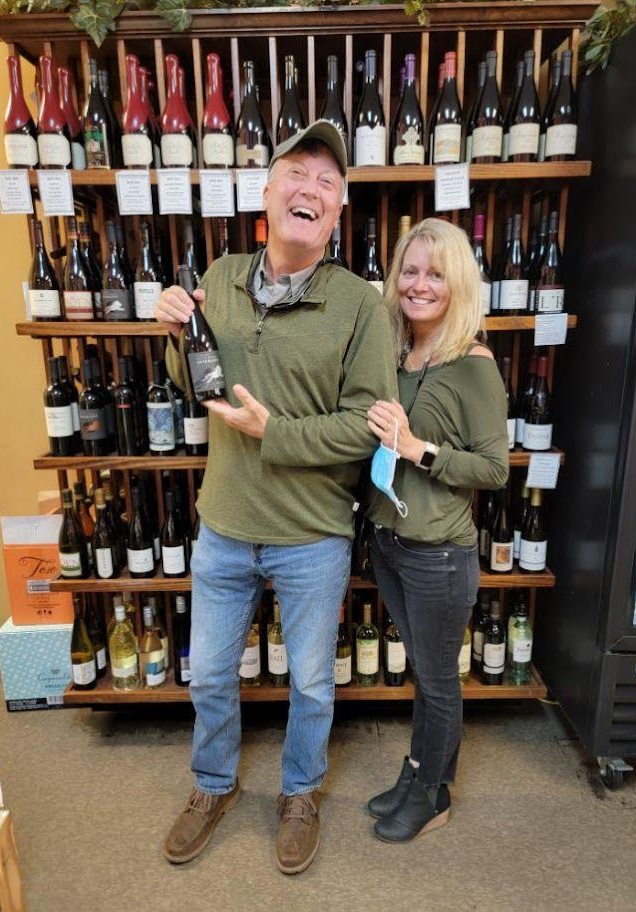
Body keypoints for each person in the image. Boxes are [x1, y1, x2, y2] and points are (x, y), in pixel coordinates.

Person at [155, 120, 397, 874]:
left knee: (312, 682)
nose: (311, 188)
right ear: (265, 191)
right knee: (213, 672)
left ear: (338, 210)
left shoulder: (359, 303)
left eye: (328, 182)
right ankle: (213, 785)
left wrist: (276, 431)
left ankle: (300, 792)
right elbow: (190, 381)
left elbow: (366, 426)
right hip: (223, 524)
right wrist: (172, 329)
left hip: (312, 535)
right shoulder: (222, 277)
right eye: (298, 172)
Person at [364, 217, 509, 843]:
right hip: (390, 543)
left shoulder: (472, 361)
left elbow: (495, 468)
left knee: (439, 679)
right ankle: (419, 772)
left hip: (438, 555)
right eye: (410, 270)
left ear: (458, 284)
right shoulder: (398, 351)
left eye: (436, 274)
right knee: (426, 671)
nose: (419, 284)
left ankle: (433, 792)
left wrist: (418, 448)